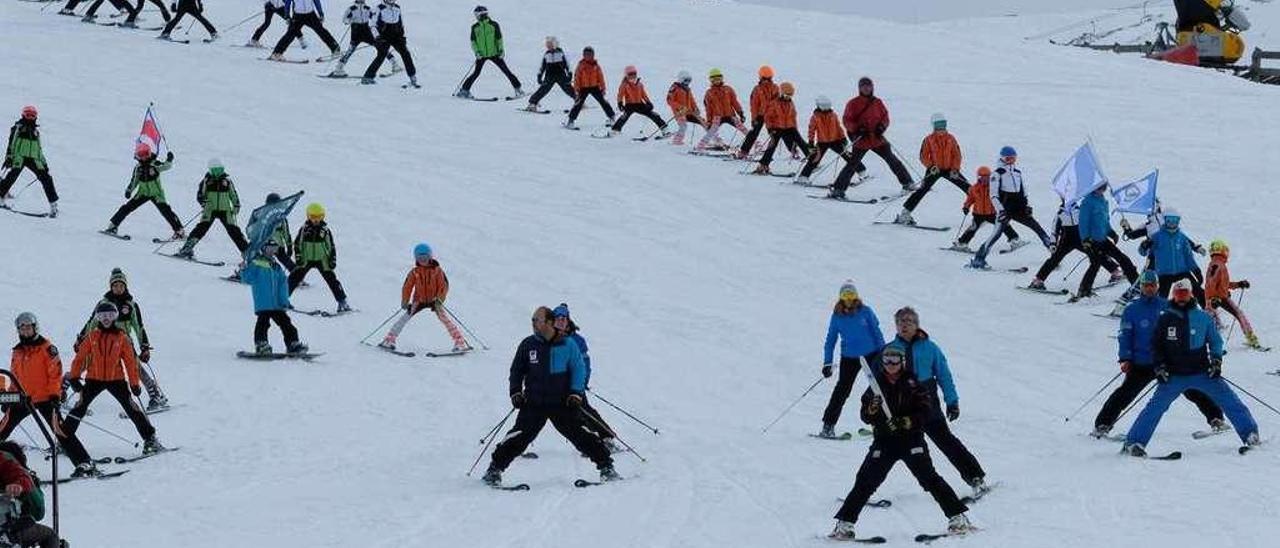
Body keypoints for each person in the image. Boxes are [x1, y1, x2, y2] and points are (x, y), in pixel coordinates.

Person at [829, 345, 971, 541]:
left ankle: (958, 517)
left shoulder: (914, 384)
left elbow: (925, 411)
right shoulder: (875, 386)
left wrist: (907, 421)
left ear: (902, 362)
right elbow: (865, 416)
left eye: (895, 360)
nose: (891, 364)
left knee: (929, 478)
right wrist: (872, 409)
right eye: (887, 360)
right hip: (885, 441)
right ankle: (844, 524)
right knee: (865, 481)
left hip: (911, 440)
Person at [481, 307, 619, 486]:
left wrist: (576, 393)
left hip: (562, 403)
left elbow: (578, 369)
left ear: (549, 322)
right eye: (532, 319)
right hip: (534, 402)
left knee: (581, 435)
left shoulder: (567, 344)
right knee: (518, 436)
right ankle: (494, 470)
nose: (533, 323)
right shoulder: (528, 344)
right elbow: (517, 370)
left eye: (536, 320)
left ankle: (607, 467)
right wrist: (515, 392)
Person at [1123, 279, 1260, 456]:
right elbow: (1156, 346)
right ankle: (1133, 443)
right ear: (1174, 295)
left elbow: (1215, 341)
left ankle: (1250, 434)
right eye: (1178, 294)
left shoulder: (1202, 317)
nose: (1181, 298)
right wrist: (1159, 366)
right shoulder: (1165, 319)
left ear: (1191, 295)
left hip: (1202, 373)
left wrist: (1216, 361)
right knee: (1154, 408)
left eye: (1184, 294)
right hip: (1173, 376)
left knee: (1230, 401)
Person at [1092, 271, 1226, 438]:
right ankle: (1103, 425)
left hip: (1168, 362)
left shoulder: (1168, 306)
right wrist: (1125, 357)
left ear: (1157, 286)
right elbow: (1125, 336)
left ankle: (1216, 419)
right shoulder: (1132, 310)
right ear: (1141, 287)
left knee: (1192, 389)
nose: (1149, 288)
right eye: (1146, 285)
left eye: (1152, 285)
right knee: (1126, 393)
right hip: (1142, 362)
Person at [887, 307, 988, 493]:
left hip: (927, 404)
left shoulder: (930, 347)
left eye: (908, 321)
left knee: (946, 441)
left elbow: (944, 375)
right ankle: (864, 489)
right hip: (903, 407)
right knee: (892, 448)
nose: (904, 325)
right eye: (900, 321)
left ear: (917, 325)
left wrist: (952, 401)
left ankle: (975, 477)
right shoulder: (890, 350)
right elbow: (881, 379)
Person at [1, 313, 98, 477]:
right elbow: (14, 377)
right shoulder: (17, 351)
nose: (25, 331)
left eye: (28, 327)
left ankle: (85, 463)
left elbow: (55, 374)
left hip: (45, 398)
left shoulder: (47, 348)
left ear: (34, 327)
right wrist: (8, 398)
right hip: (22, 398)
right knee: (3, 429)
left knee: (60, 431)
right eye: (22, 328)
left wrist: (55, 395)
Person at [64, 302, 164, 455]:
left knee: (131, 408)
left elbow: (130, 362)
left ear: (115, 316)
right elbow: (80, 358)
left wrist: (134, 383)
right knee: (79, 407)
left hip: (116, 380)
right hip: (94, 379)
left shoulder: (122, 337)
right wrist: (74, 377)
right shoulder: (92, 336)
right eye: (102, 316)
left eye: (110, 315)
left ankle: (150, 439)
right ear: (97, 317)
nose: (106, 319)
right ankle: (64, 441)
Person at [75, 268, 169, 412]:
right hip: (101, 341)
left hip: (123, 342)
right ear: (110, 287)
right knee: (87, 362)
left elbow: (139, 327)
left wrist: (144, 346)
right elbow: (91, 323)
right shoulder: (103, 303)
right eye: (115, 286)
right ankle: (63, 392)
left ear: (125, 286)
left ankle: (156, 395)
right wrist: (81, 339)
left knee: (135, 366)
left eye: (121, 286)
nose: (118, 288)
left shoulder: (130, 305)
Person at [827, 77, 914, 199]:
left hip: (878, 139)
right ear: (859, 88)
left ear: (872, 87)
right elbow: (847, 120)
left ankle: (908, 183)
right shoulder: (853, 103)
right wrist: (857, 129)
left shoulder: (878, 102)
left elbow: (885, 117)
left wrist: (882, 127)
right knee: (852, 165)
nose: (866, 88)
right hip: (862, 140)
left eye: (868, 86)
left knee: (893, 160)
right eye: (864, 86)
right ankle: (838, 190)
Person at [967, 147, 1053, 270]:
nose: (1011, 161)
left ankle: (1053, 253)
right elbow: (994, 195)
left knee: (1037, 227)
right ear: (1002, 158)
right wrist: (1000, 210)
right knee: (996, 234)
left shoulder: (1017, 173)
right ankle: (979, 259)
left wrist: (1026, 205)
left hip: (1019, 208)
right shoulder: (997, 174)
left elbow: (1023, 191)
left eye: (1013, 158)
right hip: (1005, 208)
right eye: (1008, 159)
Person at [819, 280, 885, 438]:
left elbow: (876, 332)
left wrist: (883, 353)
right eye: (845, 295)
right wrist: (827, 362)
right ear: (841, 298)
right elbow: (830, 340)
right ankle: (828, 426)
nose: (849, 299)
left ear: (856, 296)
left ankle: (881, 424)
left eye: (851, 294)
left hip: (871, 354)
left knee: (879, 387)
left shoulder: (865, 311)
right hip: (849, 357)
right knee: (842, 390)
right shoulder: (837, 317)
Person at [552, 304, 621, 452]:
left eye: (563, 318)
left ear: (568, 320)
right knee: (535, 412)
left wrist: (582, 383)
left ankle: (605, 438)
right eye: (558, 318)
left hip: (573, 385)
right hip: (553, 386)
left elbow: (585, 364)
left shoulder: (577, 340)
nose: (561, 321)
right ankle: (516, 445)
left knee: (583, 411)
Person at [378, 243, 470, 352]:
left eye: (425, 257)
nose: (422, 260)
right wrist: (405, 301)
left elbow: (444, 286)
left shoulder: (437, 271)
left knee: (445, 319)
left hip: (435, 300)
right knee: (404, 318)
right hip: (419, 300)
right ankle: (390, 340)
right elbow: (407, 286)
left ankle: (460, 342)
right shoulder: (415, 272)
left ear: (430, 257)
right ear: (416, 258)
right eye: (419, 257)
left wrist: (440, 299)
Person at [1028, 198, 1119, 290]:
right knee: (1054, 259)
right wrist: (1053, 243)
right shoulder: (1060, 213)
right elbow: (1054, 230)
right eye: (1065, 199)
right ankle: (1037, 280)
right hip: (1066, 241)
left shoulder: (1080, 210)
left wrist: (1111, 234)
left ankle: (1116, 271)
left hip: (1081, 239)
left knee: (1096, 254)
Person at [896, 113, 969, 225]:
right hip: (935, 169)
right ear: (933, 126)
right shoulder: (928, 140)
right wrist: (931, 166)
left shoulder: (951, 138)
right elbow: (923, 156)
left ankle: (984, 213)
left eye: (943, 125)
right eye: (938, 125)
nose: (941, 128)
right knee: (922, 190)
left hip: (950, 170)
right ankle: (904, 214)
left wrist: (955, 169)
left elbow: (957, 155)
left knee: (969, 188)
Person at [104, 143, 185, 241]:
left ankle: (179, 232)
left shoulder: (154, 164)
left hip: (156, 194)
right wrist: (129, 190)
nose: (143, 157)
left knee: (166, 211)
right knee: (126, 208)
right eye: (141, 155)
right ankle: (113, 226)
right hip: (142, 193)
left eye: (145, 154)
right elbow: (134, 180)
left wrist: (169, 160)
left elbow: (165, 167)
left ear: (149, 154)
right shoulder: (138, 168)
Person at [175, 159, 249, 259]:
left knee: (234, 231)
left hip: (225, 210)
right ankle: (187, 248)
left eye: (220, 170)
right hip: (210, 209)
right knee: (201, 228)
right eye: (215, 170)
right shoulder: (206, 180)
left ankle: (247, 252)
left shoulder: (227, 180)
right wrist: (203, 202)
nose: (218, 172)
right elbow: (200, 194)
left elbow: (233, 194)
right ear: (211, 170)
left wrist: (236, 205)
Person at [243, 240, 308, 355]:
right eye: (269, 248)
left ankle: (293, 343)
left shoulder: (277, 267)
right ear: (263, 249)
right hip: (264, 303)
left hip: (277, 304)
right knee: (263, 323)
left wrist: (284, 301)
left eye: (275, 248)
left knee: (286, 323)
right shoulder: (257, 263)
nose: (272, 251)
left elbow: (283, 286)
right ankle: (261, 344)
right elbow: (247, 278)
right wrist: (244, 268)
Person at [1075, 185, 1139, 300]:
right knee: (1095, 264)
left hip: (1103, 239)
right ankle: (1084, 290)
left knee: (1123, 259)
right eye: (1099, 188)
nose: (1101, 190)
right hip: (1092, 241)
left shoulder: (1104, 202)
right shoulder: (1087, 202)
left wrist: (1111, 232)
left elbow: (1105, 221)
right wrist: (1085, 239)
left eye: (1104, 188)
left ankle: (1137, 286)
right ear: (1093, 188)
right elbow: (1083, 222)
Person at [288, 203, 350, 312]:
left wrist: (332, 260)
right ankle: (282, 300)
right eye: (313, 217)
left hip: (322, 260)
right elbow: (297, 244)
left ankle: (342, 302)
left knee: (332, 280)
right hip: (306, 259)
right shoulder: (304, 229)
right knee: (294, 278)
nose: (316, 220)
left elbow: (331, 246)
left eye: (319, 217)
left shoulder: (325, 230)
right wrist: (298, 257)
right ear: (308, 216)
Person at [0, 106, 58, 217]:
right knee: (11, 176)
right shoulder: (18, 127)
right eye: (28, 115)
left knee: (46, 178)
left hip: (34, 159)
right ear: (23, 115)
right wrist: (9, 157)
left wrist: (44, 163)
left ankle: (53, 205)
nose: (30, 117)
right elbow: (11, 143)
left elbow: (39, 149)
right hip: (19, 157)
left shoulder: (36, 132)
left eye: (33, 115)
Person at [0, 441, 59, 548]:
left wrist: (18, 485)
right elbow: (38, 511)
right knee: (50, 536)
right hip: (9, 527)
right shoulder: (6, 460)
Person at [456, 5, 523, 99]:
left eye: (477, 15)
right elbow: (473, 42)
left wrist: (501, 50)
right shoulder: (475, 27)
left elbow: (499, 39)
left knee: (506, 71)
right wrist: (477, 53)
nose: (477, 17)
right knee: (476, 73)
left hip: (495, 53)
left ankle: (518, 89)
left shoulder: (494, 25)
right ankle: (464, 91)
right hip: (481, 55)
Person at [1203, 240, 1261, 349]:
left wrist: (1239, 284)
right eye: (1225, 250)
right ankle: (1251, 338)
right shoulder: (1217, 265)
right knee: (1237, 315)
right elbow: (1210, 283)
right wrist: (1213, 298)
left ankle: (1204, 344)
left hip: (1219, 297)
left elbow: (1223, 284)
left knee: (1210, 321)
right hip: (1215, 299)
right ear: (1221, 251)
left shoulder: (1219, 264)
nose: (1227, 253)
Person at [950, 166, 1017, 252]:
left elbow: (1001, 198)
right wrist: (966, 207)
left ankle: (1014, 239)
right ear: (978, 177)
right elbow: (970, 199)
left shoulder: (994, 188)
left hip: (992, 213)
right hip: (978, 214)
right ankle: (962, 243)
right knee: (972, 228)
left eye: (987, 177)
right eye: (982, 177)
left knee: (1004, 225)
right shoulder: (974, 188)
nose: (984, 179)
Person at [1146, 208, 1206, 305]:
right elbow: (1144, 253)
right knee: (1161, 296)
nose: (1172, 224)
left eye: (1175, 221)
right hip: (1164, 273)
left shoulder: (1181, 237)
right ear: (1165, 221)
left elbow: (1188, 257)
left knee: (1197, 290)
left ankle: (1209, 312)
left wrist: (1196, 270)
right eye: (1169, 221)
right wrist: (1144, 246)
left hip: (1182, 272)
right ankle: (1157, 315)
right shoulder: (1157, 236)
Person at [331, 0, 401, 79]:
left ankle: (394, 64)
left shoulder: (368, 8)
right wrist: (350, 20)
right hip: (356, 32)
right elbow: (344, 20)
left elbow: (375, 18)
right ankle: (339, 68)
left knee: (381, 46)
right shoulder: (351, 9)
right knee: (350, 50)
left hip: (367, 32)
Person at [750, 82, 809, 175]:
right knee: (772, 146)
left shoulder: (790, 103)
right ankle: (762, 165)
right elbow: (767, 117)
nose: (788, 97)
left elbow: (793, 116)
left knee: (801, 141)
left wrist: (795, 127)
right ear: (781, 93)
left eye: (790, 95)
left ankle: (811, 160)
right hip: (777, 128)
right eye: (786, 95)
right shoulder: (774, 103)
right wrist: (770, 129)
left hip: (790, 127)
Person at [359, 0, 417, 88]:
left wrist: (402, 35)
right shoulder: (379, 8)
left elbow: (401, 23)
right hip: (384, 36)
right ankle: (368, 77)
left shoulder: (397, 8)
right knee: (381, 55)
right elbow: (372, 25)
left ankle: (412, 77)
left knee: (405, 53)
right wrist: (377, 37)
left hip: (396, 35)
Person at [796, 95, 847, 185]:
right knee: (815, 159)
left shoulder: (833, 115)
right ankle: (803, 177)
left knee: (847, 155)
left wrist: (843, 138)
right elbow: (811, 130)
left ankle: (862, 172)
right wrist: (811, 142)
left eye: (827, 108)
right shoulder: (815, 117)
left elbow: (838, 127)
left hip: (835, 141)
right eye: (824, 108)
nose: (826, 110)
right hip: (822, 142)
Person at [269, 0, 341, 61]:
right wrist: (287, 15)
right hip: (298, 16)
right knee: (290, 34)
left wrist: (321, 13)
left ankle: (335, 49)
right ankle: (277, 53)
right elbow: (288, 2)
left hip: (311, 15)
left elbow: (316, 1)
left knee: (321, 31)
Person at [695, 68, 747, 151]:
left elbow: (735, 102)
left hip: (730, 115)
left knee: (744, 130)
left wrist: (740, 113)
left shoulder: (728, 89)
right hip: (717, 117)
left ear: (722, 78)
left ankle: (757, 146)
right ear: (711, 81)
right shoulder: (709, 93)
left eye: (719, 79)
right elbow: (708, 109)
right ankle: (700, 147)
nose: (717, 81)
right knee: (711, 132)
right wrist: (709, 121)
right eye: (714, 79)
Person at [610, 66, 670, 137]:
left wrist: (648, 102)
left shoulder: (639, 84)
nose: (632, 77)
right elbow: (620, 95)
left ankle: (664, 129)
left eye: (634, 74)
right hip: (630, 105)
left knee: (653, 115)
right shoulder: (624, 85)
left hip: (640, 104)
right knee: (624, 117)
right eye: (630, 75)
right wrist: (620, 103)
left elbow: (644, 94)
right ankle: (615, 131)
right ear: (626, 75)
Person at [564, 46, 615, 129]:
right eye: (586, 54)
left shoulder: (596, 66)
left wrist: (603, 88)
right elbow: (577, 77)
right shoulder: (581, 65)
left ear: (593, 55)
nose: (588, 56)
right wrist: (576, 88)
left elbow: (600, 77)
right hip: (583, 88)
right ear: (583, 55)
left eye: (590, 55)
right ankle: (571, 120)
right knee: (578, 103)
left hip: (594, 87)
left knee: (603, 101)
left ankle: (612, 117)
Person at [735, 66, 779, 160]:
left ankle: (768, 156)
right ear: (760, 78)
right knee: (753, 133)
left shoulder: (775, 88)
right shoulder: (757, 89)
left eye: (769, 78)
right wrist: (754, 118)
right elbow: (754, 106)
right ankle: (743, 152)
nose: (766, 81)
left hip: (771, 116)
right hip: (760, 115)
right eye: (764, 79)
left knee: (775, 135)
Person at [524, 36, 574, 112]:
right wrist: (539, 76)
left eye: (550, 44)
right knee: (543, 89)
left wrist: (569, 74)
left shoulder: (560, 53)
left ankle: (580, 102)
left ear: (555, 44)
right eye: (547, 44)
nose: (548, 46)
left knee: (568, 89)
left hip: (561, 75)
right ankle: (532, 103)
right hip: (549, 76)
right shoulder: (546, 54)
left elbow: (567, 65)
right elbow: (542, 66)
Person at [664, 70, 705, 146]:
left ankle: (715, 140)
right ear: (681, 79)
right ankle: (677, 141)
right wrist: (680, 107)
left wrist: (696, 108)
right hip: (680, 112)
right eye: (686, 81)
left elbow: (692, 100)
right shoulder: (674, 88)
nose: (687, 83)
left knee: (703, 122)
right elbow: (669, 100)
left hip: (689, 111)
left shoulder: (687, 89)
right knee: (683, 126)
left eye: (689, 81)